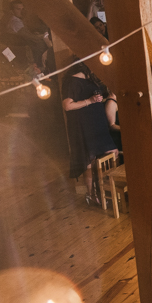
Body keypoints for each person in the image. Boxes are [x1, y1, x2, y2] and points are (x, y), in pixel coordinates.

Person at [62, 64, 118, 206]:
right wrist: (90, 101)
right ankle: (92, 194)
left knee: (113, 152)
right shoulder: (71, 80)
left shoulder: (90, 78)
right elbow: (67, 105)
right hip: (84, 125)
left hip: (98, 123)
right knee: (89, 161)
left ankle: (108, 190)